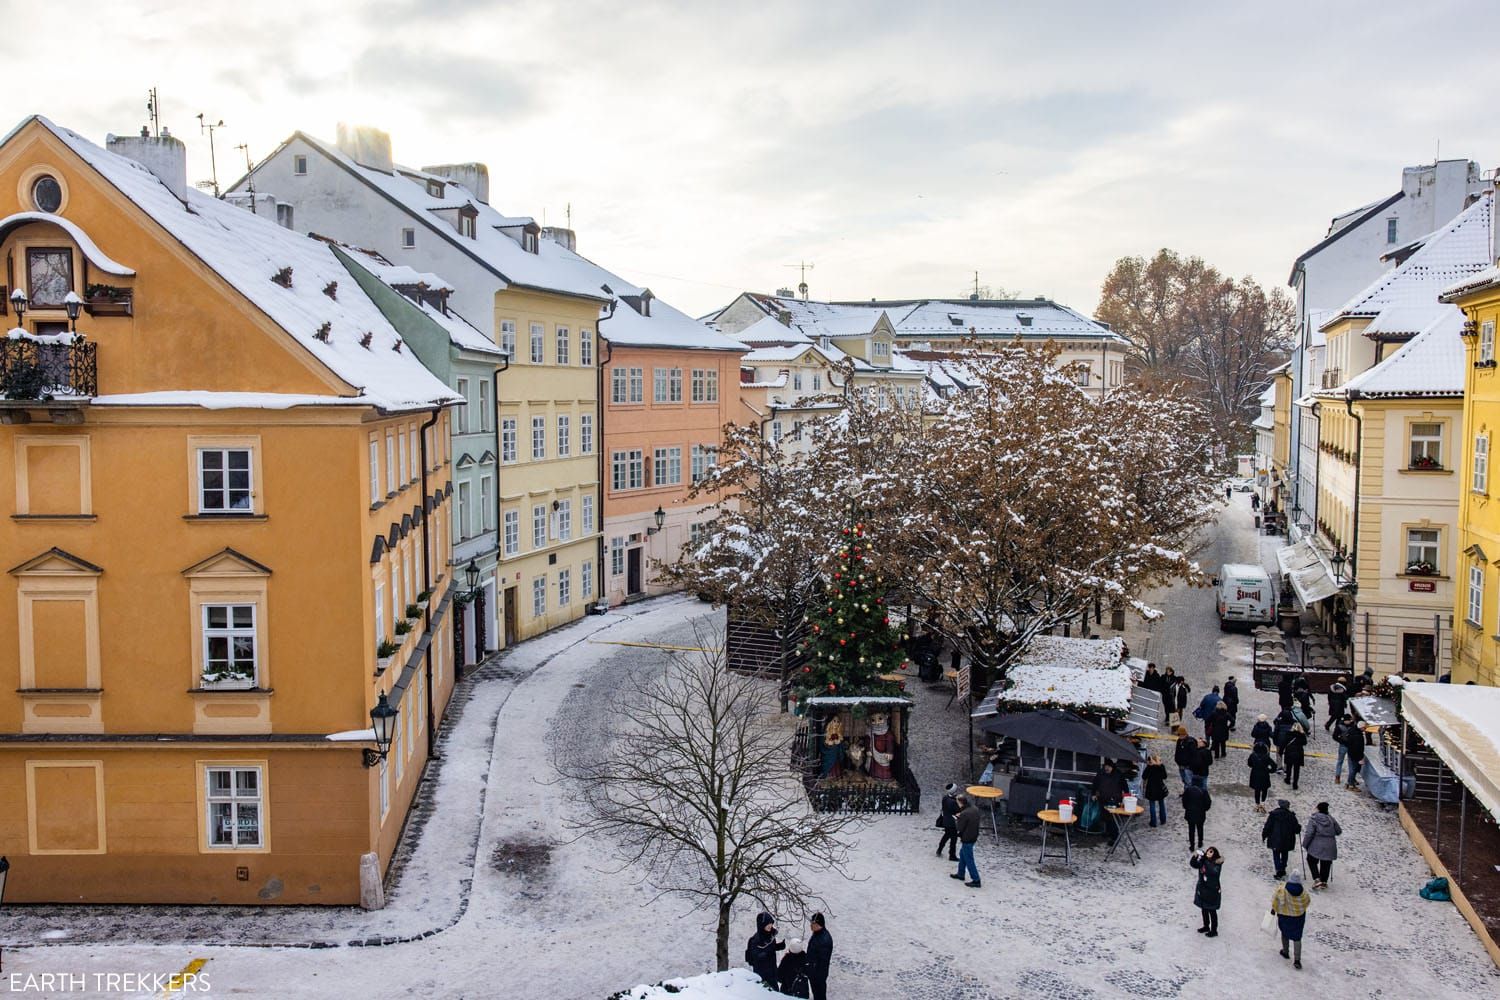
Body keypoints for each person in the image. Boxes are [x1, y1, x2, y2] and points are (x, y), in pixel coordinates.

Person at [1271, 874, 1310, 969]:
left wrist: (1273, 909)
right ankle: (1297, 960)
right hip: (1298, 917)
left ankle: (1285, 951)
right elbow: (1307, 901)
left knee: (1285, 932)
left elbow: (1276, 900)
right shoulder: (1303, 892)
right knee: (1297, 937)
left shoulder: (1282, 890)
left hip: (1285, 916)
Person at [1302, 801, 1342, 889]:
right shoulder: (1331, 819)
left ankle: (1317, 879)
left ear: (1318, 809)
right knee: (1326, 862)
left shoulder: (1314, 819)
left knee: (1311, 859)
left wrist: (1305, 844)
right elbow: (1339, 831)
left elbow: (1309, 833)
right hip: (1330, 845)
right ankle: (1324, 881)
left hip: (1316, 843)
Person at [1261, 799, 1300, 877]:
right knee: (1285, 853)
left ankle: (1278, 869)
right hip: (1287, 839)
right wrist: (1299, 827)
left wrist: (1264, 835)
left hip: (1275, 838)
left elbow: (1268, 826)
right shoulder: (1291, 816)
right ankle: (1283, 868)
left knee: (1276, 854)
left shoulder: (1273, 815)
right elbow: (1296, 830)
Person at [1190, 846, 1224, 937]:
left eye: (1211, 852)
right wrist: (1196, 857)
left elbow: (1212, 872)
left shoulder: (1217, 864)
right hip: (1202, 889)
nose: (1208, 853)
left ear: (1215, 854)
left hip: (1212, 891)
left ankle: (1214, 930)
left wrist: (1204, 861)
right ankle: (1206, 926)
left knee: (1212, 911)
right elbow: (1194, 864)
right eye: (1208, 851)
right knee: (1204, 909)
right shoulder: (1204, 861)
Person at [746, 912, 784, 988]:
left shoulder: (770, 936)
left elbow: (770, 947)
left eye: (771, 923)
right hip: (762, 975)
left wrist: (779, 946)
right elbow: (755, 956)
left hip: (772, 972)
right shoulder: (756, 939)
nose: (770, 925)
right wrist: (765, 954)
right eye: (768, 924)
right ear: (762, 925)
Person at [950, 795, 981, 888]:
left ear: (960, 802)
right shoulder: (974, 809)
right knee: (963, 854)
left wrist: (957, 819)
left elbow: (959, 827)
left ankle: (976, 879)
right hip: (973, 835)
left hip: (967, 837)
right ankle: (960, 873)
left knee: (969, 858)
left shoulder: (964, 813)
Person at [1093, 760, 1127, 840]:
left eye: (1109, 767)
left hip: (1115, 799)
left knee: (1113, 819)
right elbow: (1095, 784)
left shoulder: (1118, 774)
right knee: (1105, 817)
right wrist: (1093, 794)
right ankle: (1108, 832)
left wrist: (1126, 796)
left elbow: (1125, 786)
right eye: (1106, 766)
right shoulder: (1101, 773)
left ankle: (1114, 837)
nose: (1107, 768)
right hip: (1103, 799)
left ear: (1112, 767)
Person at [806, 914, 833, 1000]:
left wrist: (815, 974)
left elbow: (823, 962)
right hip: (814, 972)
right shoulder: (817, 934)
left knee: (819, 995)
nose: (810, 925)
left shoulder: (824, 940)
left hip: (818, 975)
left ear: (818, 925)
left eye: (812, 923)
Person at [1247, 740, 1277, 809]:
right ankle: (1263, 803)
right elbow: (1274, 766)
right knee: (1264, 789)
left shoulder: (1253, 756)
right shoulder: (1266, 757)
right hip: (1264, 774)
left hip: (1255, 774)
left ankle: (1257, 804)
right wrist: (1269, 771)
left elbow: (1249, 764)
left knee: (1257, 790)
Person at [1182, 781, 1212, 851]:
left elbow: (1184, 801)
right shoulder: (1204, 791)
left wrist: (1187, 808)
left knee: (1191, 830)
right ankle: (1200, 842)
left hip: (1190, 813)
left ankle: (1192, 845)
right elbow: (1208, 802)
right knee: (1200, 828)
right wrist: (1204, 809)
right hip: (1200, 813)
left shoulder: (1188, 790)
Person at [936, 782, 960, 861]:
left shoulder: (945, 798)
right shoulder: (953, 802)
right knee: (953, 839)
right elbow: (957, 810)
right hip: (952, 822)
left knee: (946, 836)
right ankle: (952, 855)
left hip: (946, 820)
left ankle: (939, 849)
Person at [1143, 753, 1169, 827]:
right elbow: (1165, 776)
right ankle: (1163, 820)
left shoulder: (1150, 767)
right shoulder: (1161, 767)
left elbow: (1144, 777)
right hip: (1160, 788)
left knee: (1152, 806)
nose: (1161, 761)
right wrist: (1159, 766)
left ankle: (1153, 822)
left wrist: (1148, 766)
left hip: (1151, 789)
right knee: (1161, 804)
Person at [1341, 717, 1367, 790]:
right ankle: (1351, 784)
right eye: (1364, 728)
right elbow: (1358, 748)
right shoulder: (1358, 736)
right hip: (1355, 755)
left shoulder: (1352, 731)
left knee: (1352, 769)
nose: (1365, 729)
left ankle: (1349, 782)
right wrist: (1360, 758)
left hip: (1350, 753)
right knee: (1353, 770)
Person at [1282, 723, 1307, 791]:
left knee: (1289, 766)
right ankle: (1295, 784)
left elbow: (1284, 743)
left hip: (1289, 752)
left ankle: (1288, 779)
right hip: (1298, 753)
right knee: (1296, 770)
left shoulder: (1288, 734)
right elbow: (1305, 743)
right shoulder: (1302, 735)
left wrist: (1281, 751)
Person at [1331, 714, 1354, 785]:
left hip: (1350, 746)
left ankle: (1351, 778)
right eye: (1349, 720)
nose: (1350, 721)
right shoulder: (1340, 726)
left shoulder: (1350, 726)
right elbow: (1334, 736)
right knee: (1340, 761)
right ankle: (1337, 776)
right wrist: (1341, 740)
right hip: (1343, 745)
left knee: (1350, 763)